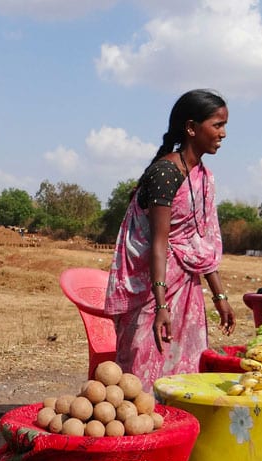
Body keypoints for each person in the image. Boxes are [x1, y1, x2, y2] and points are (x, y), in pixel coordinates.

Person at [104, 89, 236, 392]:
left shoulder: (203, 177)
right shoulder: (165, 173)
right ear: (191, 128)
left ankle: (179, 433)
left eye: (224, 125)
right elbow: (160, 243)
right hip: (154, 293)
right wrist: (162, 305)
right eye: (217, 125)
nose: (223, 134)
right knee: (143, 373)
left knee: (184, 374)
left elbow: (198, 245)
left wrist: (220, 297)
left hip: (188, 290)